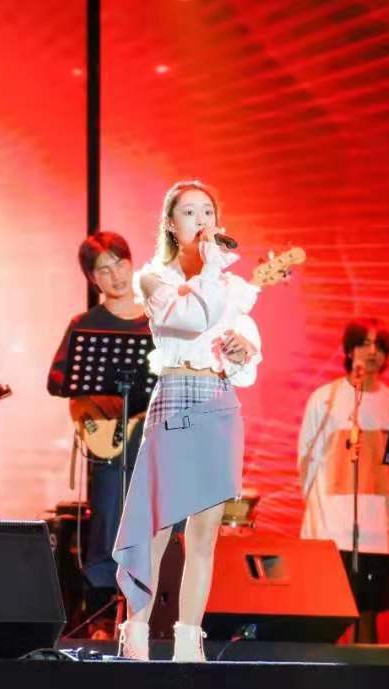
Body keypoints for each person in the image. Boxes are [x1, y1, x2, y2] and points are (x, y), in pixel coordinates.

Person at [112, 179, 262, 662]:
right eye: (190, 212)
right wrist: (213, 266)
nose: (201, 220)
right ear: (172, 226)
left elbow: (247, 361)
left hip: (218, 399)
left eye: (208, 212)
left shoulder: (234, 289)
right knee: (157, 524)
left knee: (205, 533)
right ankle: (136, 633)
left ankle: (188, 640)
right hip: (175, 397)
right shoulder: (154, 279)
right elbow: (192, 319)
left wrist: (242, 350)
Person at [47, 231, 150, 629]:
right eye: (103, 270)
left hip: (152, 437)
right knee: (107, 515)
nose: (115, 275)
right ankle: (101, 613)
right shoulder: (85, 324)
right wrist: (97, 398)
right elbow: (57, 381)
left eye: (120, 264)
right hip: (109, 438)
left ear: (132, 263)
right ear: (92, 279)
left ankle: (155, 606)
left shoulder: (157, 322)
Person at [297, 318, 389, 644]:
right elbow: (306, 459)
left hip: (377, 531)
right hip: (332, 527)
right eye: (364, 344)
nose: (371, 352)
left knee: (368, 614)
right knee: (328, 613)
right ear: (349, 350)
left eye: (378, 346)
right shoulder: (326, 398)